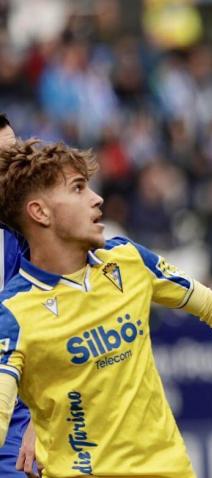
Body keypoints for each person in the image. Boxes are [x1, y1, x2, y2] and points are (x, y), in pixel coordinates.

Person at [0, 138, 212, 477]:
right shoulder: (15, 312)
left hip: (171, 470)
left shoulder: (127, 259)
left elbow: (209, 305)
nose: (96, 198)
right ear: (40, 212)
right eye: (78, 189)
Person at [0, 115, 39, 477]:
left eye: (15, 153)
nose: (13, 167)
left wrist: (39, 423)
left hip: (17, 414)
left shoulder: (29, 234)